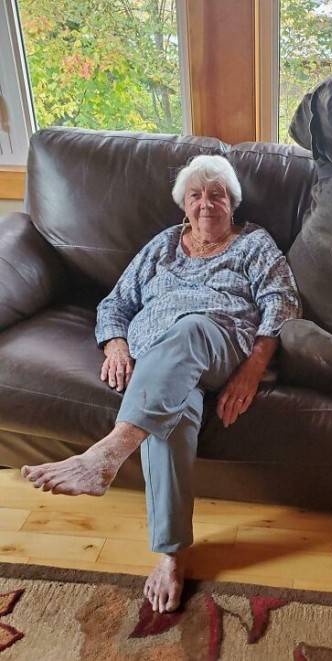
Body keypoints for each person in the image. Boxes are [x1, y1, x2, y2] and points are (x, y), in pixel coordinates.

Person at [21, 154, 302, 613]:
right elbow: (116, 302)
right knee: (170, 418)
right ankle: (172, 553)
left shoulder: (254, 243)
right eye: (196, 196)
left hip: (217, 338)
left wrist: (252, 369)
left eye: (217, 195)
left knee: (189, 329)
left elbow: (283, 303)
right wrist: (115, 345)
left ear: (232, 203)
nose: (206, 204)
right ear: (183, 206)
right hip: (157, 361)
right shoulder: (163, 245)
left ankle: (107, 454)